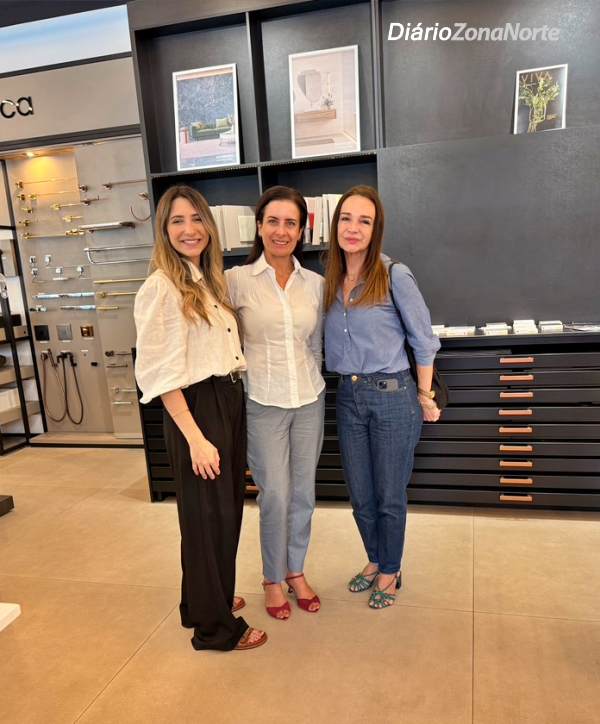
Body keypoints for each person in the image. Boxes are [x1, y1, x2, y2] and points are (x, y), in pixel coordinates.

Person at [134, 184, 267, 650]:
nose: (189, 229)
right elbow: (158, 371)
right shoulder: (161, 287)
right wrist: (195, 437)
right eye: (177, 221)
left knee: (217, 512)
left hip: (225, 398)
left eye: (196, 219)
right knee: (209, 517)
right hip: (196, 407)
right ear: (164, 230)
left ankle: (203, 601)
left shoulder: (205, 279)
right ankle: (215, 629)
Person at [323, 185, 441, 609]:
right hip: (348, 397)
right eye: (346, 218)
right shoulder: (330, 280)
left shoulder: (394, 275)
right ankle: (374, 559)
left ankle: (391, 570)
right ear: (335, 224)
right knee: (360, 494)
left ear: (376, 229)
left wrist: (424, 395)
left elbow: (424, 342)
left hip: (392, 397)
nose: (353, 228)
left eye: (364, 221)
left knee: (389, 495)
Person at [226, 186, 325, 620]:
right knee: (276, 495)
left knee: (303, 493)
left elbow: (315, 345)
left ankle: (295, 571)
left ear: (301, 231)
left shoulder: (315, 284)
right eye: (273, 221)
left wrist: (314, 379)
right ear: (259, 226)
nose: (281, 231)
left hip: (309, 399)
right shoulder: (236, 281)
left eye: (290, 223)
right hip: (262, 400)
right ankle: (271, 578)